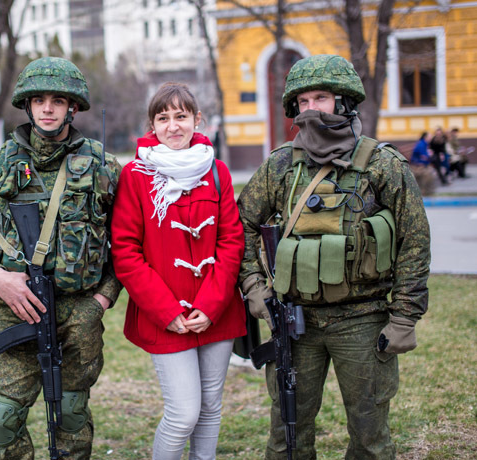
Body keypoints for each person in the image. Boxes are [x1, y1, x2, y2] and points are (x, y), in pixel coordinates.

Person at [237, 55, 430, 459]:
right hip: (296, 321)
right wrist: (254, 285)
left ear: (343, 102)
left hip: (363, 320)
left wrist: (405, 316)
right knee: (287, 433)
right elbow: (240, 225)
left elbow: (414, 240)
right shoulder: (280, 166)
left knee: (369, 437)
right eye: (303, 102)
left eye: (320, 98)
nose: (311, 109)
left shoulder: (382, 165)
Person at [0, 57, 121, 459]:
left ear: (73, 107)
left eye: (58, 101)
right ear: (27, 106)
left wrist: (102, 299)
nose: (48, 108)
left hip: (77, 310)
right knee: (2, 416)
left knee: (71, 413)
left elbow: (129, 242)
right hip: (13, 307)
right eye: (39, 100)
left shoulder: (103, 165)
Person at [111, 82, 247, 459]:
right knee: (183, 412)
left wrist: (212, 305)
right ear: (152, 125)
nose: (173, 126)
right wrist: (167, 311)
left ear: (196, 120)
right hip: (164, 315)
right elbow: (125, 251)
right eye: (163, 118)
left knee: (210, 407)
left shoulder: (217, 171)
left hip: (216, 311)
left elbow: (231, 242)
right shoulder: (136, 176)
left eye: (181, 116)